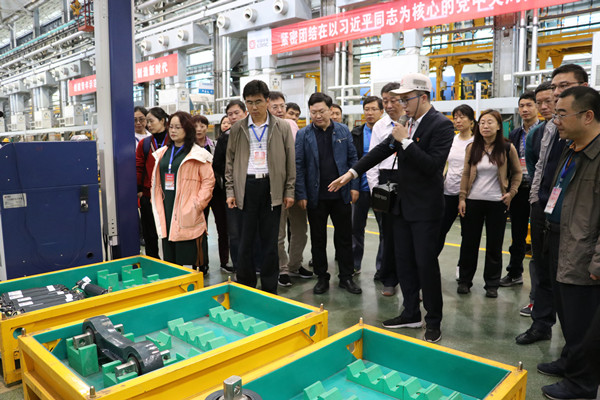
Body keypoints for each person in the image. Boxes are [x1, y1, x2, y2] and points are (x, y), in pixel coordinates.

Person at [330, 73, 454, 343]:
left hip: (425, 210)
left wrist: (406, 141)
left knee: (425, 265)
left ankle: (433, 321)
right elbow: (381, 150)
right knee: (404, 262)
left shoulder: (441, 125)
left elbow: (433, 166)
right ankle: (410, 313)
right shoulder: (406, 123)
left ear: (423, 97)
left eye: (406, 99)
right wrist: (351, 173)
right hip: (401, 207)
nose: (401, 104)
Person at [516, 64, 588, 350]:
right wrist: (536, 199)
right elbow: (538, 167)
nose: (557, 93)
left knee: (569, 277)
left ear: (584, 86)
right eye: (554, 87)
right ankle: (541, 323)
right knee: (542, 268)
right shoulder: (545, 129)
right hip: (544, 207)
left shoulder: (587, 127)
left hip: (574, 215)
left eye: (564, 86)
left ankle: (574, 348)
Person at [540, 85, 600, 400]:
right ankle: (569, 362)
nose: (556, 120)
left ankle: (582, 385)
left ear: (587, 116)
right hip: (559, 239)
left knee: (584, 324)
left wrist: (598, 262)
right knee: (567, 315)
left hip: (584, 251)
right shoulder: (571, 148)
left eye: (562, 114)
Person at [225, 80, 296, 294]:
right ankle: (246, 285)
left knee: (270, 241)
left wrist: (289, 190)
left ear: (267, 101)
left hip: (271, 187)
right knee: (245, 241)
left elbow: (290, 161)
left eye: (258, 102)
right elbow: (230, 163)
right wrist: (230, 191)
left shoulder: (282, 127)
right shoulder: (237, 128)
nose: (254, 107)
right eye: (249, 102)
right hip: (246, 187)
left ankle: (269, 287)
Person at [296, 92, 361, 295]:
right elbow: (299, 166)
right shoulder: (303, 134)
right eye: (313, 112)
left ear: (331, 110)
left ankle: (346, 277)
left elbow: (353, 159)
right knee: (318, 239)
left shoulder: (342, 130)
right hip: (316, 196)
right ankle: (322, 277)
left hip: (341, 194)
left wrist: (354, 186)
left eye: (321, 111)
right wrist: (301, 194)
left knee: (344, 237)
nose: (317, 115)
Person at [457, 110, 522, 298]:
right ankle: (464, 281)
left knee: (494, 245)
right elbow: (466, 173)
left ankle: (492, 284)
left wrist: (511, 193)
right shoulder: (472, 147)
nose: (485, 126)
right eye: (482, 122)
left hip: (497, 202)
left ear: (499, 126)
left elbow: (517, 173)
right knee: (469, 244)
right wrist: (462, 198)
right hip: (473, 201)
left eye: (490, 122)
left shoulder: (507, 148)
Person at [150, 111, 215, 268]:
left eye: (178, 127)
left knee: (188, 252)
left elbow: (208, 181)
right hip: (166, 205)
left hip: (188, 208)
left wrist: (198, 204)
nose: (173, 131)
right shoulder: (163, 153)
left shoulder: (198, 154)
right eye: (171, 127)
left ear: (188, 129)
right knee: (170, 254)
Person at [517, 82, 554, 320]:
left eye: (548, 101)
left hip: (569, 206)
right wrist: (538, 196)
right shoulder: (536, 134)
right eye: (539, 102)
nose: (543, 106)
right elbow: (533, 166)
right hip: (541, 200)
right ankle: (537, 304)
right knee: (538, 256)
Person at [268, 92, 312, 287]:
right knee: (278, 233)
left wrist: (299, 188)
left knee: (300, 229)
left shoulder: (291, 125)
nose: (280, 110)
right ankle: (283, 268)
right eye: (275, 107)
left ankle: (294, 265)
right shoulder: (263, 129)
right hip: (275, 188)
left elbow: (298, 158)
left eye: (282, 106)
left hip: (295, 185)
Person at [366, 82, 405, 290]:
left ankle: (411, 282)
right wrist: (376, 190)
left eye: (393, 100)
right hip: (385, 180)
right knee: (388, 235)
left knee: (409, 235)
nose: (389, 105)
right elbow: (373, 159)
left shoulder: (412, 123)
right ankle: (389, 280)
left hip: (408, 180)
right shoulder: (380, 126)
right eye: (385, 101)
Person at [500, 92, 539, 288]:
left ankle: (541, 280)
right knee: (518, 233)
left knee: (540, 235)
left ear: (537, 107)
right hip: (519, 189)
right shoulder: (515, 134)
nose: (525, 109)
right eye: (521, 106)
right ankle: (515, 273)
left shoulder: (545, 131)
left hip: (539, 190)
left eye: (529, 105)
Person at [437, 105, 474, 268]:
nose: (458, 120)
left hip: (470, 195)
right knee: (439, 230)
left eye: (462, 117)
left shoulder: (476, 142)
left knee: (468, 235)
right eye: (455, 117)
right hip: (449, 192)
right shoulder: (451, 140)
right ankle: (429, 263)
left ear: (471, 121)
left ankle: (463, 269)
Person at [350, 96, 384, 275]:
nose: (369, 113)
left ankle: (382, 268)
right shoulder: (356, 133)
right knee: (356, 228)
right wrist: (354, 186)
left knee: (384, 230)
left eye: (373, 109)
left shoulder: (387, 132)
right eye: (366, 109)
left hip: (381, 189)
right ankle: (355, 263)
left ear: (381, 111)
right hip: (360, 189)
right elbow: (353, 161)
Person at [193, 114, 230, 274]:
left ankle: (225, 261)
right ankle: (201, 262)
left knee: (223, 227)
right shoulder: (189, 148)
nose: (199, 129)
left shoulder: (214, 145)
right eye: (196, 126)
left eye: (202, 126)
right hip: (198, 193)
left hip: (217, 191)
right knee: (200, 228)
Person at [213, 102, 247, 273]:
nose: (233, 117)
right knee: (234, 232)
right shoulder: (224, 138)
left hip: (254, 188)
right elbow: (217, 164)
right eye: (230, 114)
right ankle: (239, 266)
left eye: (236, 113)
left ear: (245, 113)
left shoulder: (254, 134)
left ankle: (255, 265)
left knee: (254, 231)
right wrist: (233, 175)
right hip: (231, 190)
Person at [136, 107, 170, 259]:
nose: (148, 125)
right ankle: (152, 261)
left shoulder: (173, 142)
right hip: (148, 195)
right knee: (150, 234)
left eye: (151, 121)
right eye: (147, 122)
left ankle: (171, 263)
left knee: (169, 232)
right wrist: (139, 190)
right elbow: (138, 168)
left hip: (169, 195)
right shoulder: (145, 144)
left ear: (162, 121)